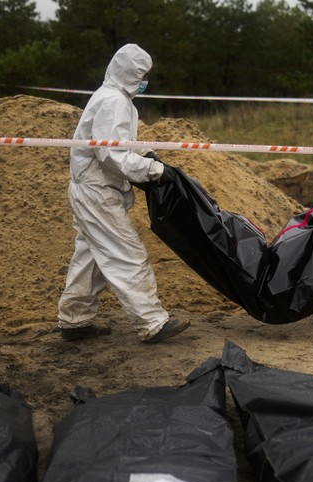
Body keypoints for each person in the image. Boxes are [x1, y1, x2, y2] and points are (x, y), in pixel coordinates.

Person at [57, 43, 190, 343]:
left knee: (91, 256)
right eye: (142, 75)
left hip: (92, 190)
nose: (145, 81)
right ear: (130, 73)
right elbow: (111, 155)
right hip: (97, 193)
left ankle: (74, 320)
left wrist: (147, 154)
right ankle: (152, 322)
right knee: (126, 253)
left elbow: (120, 144)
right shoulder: (114, 101)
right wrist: (153, 170)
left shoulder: (116, 98)